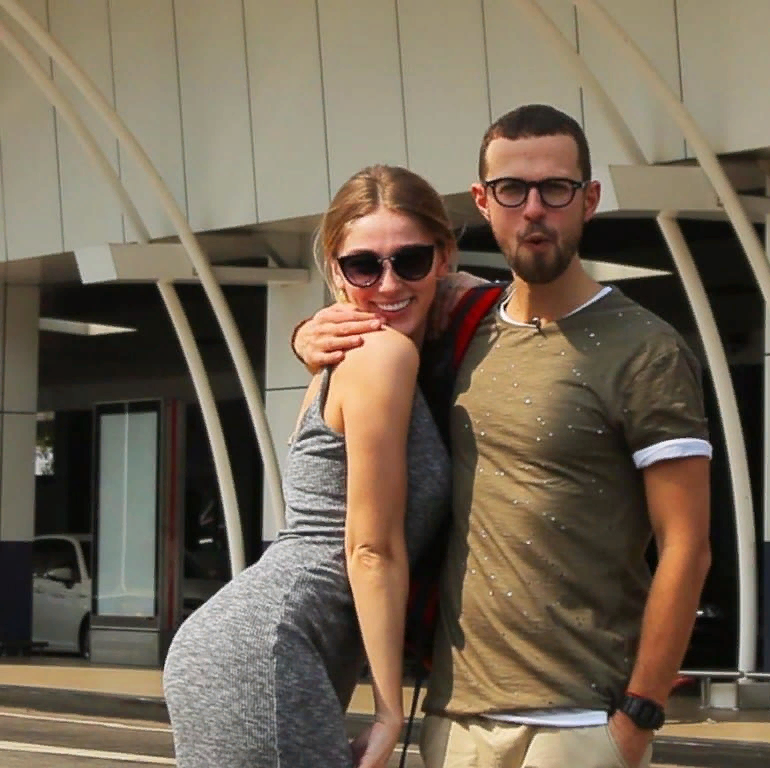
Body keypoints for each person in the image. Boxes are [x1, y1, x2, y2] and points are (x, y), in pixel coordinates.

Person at [294, 104, 712, 768]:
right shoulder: (459, 327)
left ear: (589, 200)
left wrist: (638, 715)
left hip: (579, 723)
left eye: (556, 189)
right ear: (484, 202)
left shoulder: (646, 350)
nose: (534, 209)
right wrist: (307, 335)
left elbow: (687, 546)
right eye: (513, 189)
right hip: (454, 720)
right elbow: (382, 304)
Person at [163, 165, 454, 768]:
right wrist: (389, 710)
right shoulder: (381, 355)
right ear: (335, 271)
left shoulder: (346, 355)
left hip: (256, 638)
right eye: (364, 266)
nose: (388, 283)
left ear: (444, 257)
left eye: (411, 260)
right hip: (267, 645)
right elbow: (371, 549)